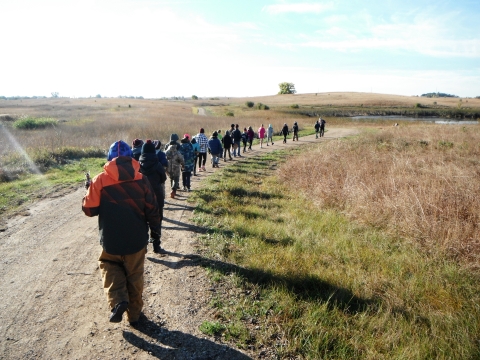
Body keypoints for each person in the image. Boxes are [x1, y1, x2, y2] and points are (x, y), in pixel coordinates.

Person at [82, 140, 162, 326]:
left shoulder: (99, 180)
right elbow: (153, 210)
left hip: (111, 241)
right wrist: (156, 233)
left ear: (109, 158)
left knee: (108, 264)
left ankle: (118, 300)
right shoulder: (142, 179)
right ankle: (134, 316)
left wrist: (89, 191)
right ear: (130, 158)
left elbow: (89, 210)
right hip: (136, 241)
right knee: (135, 276)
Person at [138, 140, 167, 254]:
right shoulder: (158, 164)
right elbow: (163, 179)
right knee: (156, 222)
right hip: (156, 197)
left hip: (141, 197)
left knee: (142, 222)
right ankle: (156, 246)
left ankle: (143, 246)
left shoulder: (137, 165)